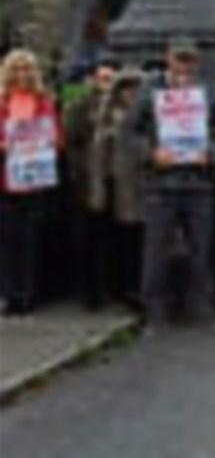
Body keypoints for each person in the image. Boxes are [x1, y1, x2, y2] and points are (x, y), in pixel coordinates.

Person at [124, 38, 215, 327]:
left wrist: (212, 154)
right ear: (167, 58)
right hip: (160, 185)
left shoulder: (209, 92)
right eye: (179, 58)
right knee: (155, 253)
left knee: (201, 250)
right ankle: (155, 314)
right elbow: (130, 132)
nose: (184, 64)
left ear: (196, 62)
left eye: (189, 59)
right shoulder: (149, 91)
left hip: (199, 184)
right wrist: (151, 153)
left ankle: (201, 310)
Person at [0, 49, 63, 316]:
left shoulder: (44, 102)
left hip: (34, 180)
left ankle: (25, 294)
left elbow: (57, 138)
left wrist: (49, 144)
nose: (22, 74)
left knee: (28, 239)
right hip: (4, 180)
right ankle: (6, 294)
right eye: (17, 69)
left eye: (27, 69)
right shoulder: (2, 103)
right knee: (5, 238)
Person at [88, 68, 147, 310]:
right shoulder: (109, 118)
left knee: (143, 241)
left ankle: (139, 288)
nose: (131, 94)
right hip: (119, 186)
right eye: (126, 89)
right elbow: (98, 158)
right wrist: (98, 189)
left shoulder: (148, 118)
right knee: (120, 241)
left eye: (136, 89)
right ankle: (123, 289)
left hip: (145, 186)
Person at [65, 58, 121, 309]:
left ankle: (113, 287)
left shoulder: (123, 107)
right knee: (89, 237)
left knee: (115, 237)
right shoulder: (82, 107)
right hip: (90, 180)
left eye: (111, 79)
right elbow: (72, 143)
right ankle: (89, 291)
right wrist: (80, 172)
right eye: (102, 79)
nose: (106, 84)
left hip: (117, 179)